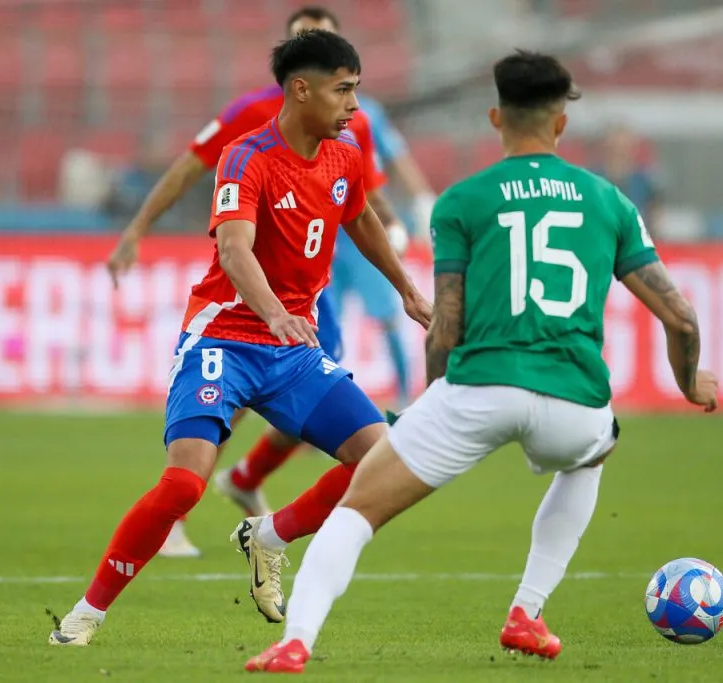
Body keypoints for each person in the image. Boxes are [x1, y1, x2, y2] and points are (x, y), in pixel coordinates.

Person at [243, 50, 719, 674]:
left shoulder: (463, 203)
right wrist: (689, 382)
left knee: (358, 508)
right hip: (574, 400)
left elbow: (447, 323)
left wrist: (431, 402)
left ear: (496, 118)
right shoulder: (609, 201)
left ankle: (296, 640)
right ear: (561, 124)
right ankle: (527, 610)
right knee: (594, 452)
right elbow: (680, 317)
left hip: (478, 390)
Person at [49, 29, 431, 647]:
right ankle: (86, 614)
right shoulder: (246, 155)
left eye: (356, 91)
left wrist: (407, 290)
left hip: (293, 351)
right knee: (182, 485)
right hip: (223, 340)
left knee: (380, 459)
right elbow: (232, 247)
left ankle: (269, 536)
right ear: (301, 89)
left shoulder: (345, 154)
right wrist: (275, 311)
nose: (354, 107)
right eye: (343, 91)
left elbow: (360, 216)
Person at [105, 5, 405, 558]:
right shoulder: (250, 117)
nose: (349, 97)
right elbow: (190, 167)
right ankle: (189, 495)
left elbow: (361, 196)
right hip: (250, 296)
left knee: (312, 395)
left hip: (313, 290)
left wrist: (402, 255)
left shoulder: (349, 121)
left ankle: (247, 486)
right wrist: (137, 229)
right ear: (298, 80)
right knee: (238, 390)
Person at [332, 92, 439, 409]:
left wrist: (421, 198)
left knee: (389, 314)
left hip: (364, 228)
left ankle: (407, 396)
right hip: (321, 232)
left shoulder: (366, 113)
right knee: (321, 323)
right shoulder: (299, 109)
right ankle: (316, 410)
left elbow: (395, 157)